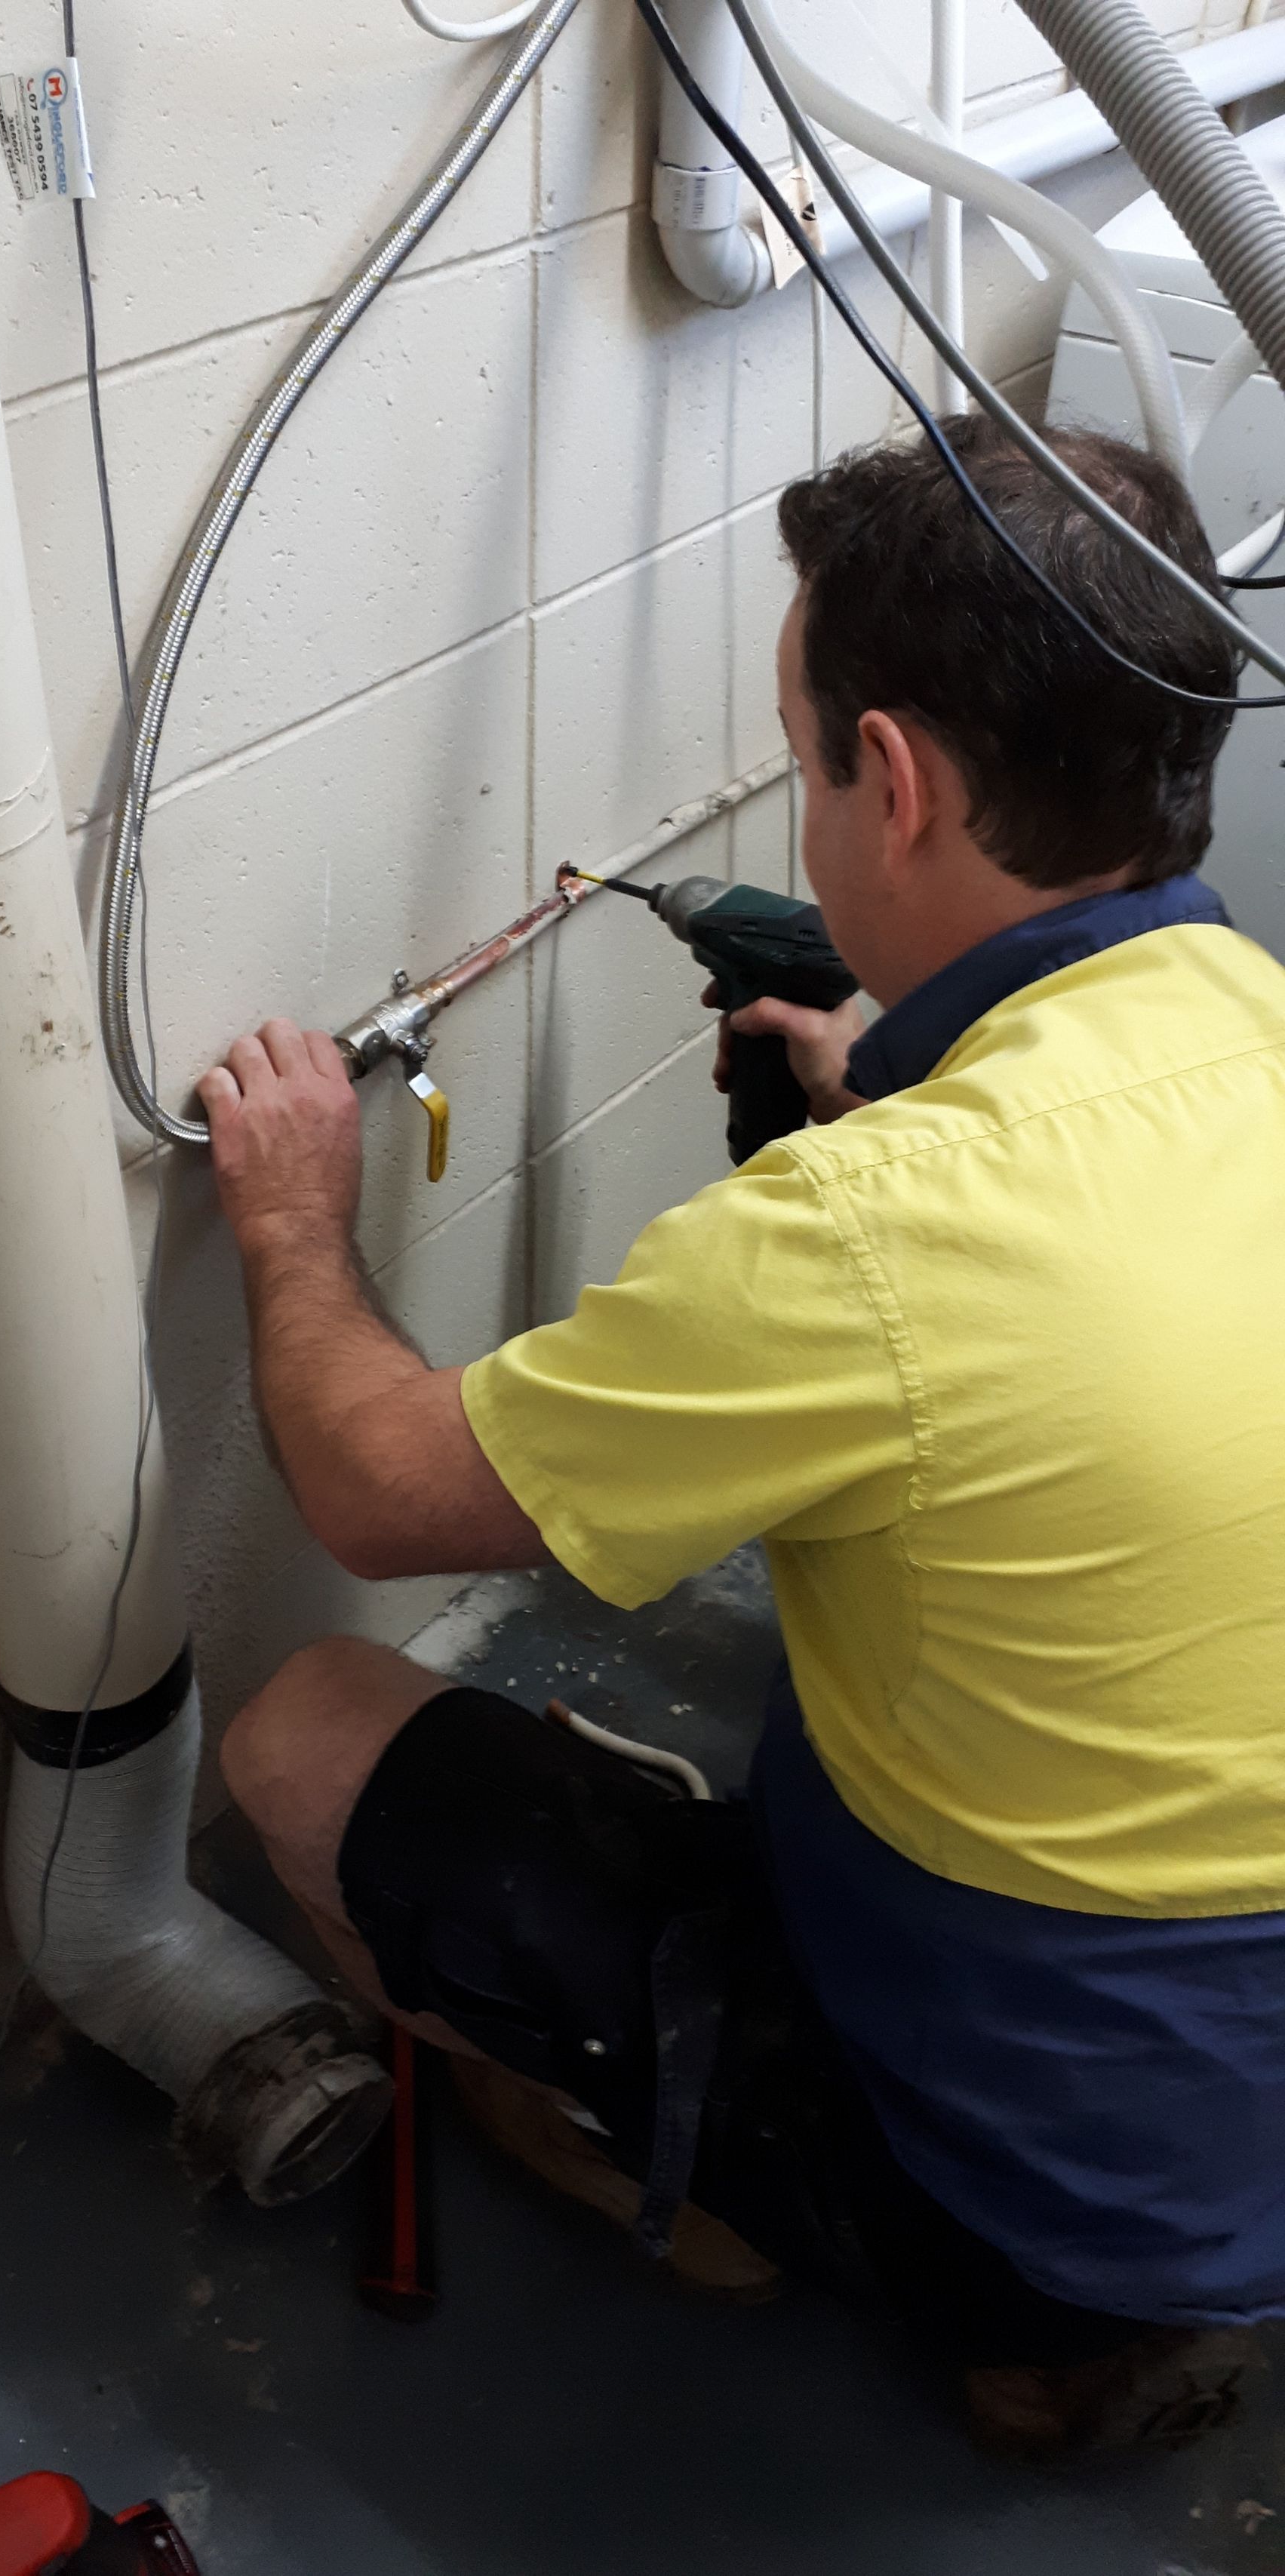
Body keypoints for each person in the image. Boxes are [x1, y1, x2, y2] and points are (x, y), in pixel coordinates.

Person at [198, 417, 1285, 2457]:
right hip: (1238, 2093)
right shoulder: (1253, 1034)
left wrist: (288, 1218)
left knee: (308, 1739)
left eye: (802, 765)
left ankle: (816, 2244)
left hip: (1047, 2204)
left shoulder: (864, 1242)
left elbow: (372, 1486)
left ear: (893, 778)